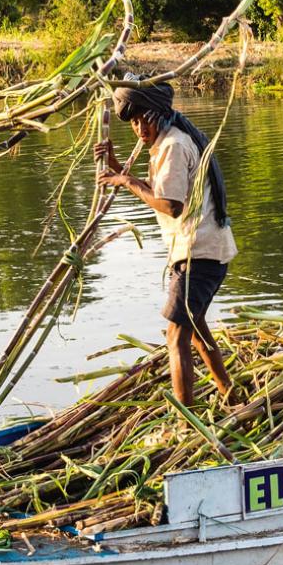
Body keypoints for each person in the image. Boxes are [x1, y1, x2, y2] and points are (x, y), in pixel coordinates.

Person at [95, 82, 236, 405]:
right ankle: (229, 395)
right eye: (134, 123)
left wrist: (125, 181)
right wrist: (117, 167)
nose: (140, 129)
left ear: (160, 115)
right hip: (205, 252)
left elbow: (171, 206)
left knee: (176, 336)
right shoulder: (168, 143)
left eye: (145, 120)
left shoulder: (173, 145)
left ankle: (187, 419)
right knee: (195, 330)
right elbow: (161, 193)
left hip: (198, 254)